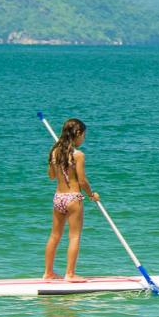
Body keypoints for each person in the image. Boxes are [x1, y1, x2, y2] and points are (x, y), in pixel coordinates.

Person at [43, 118, 100, 280]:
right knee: (74, 236)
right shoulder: (78, 155)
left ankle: (48, 272)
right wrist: (91, 195)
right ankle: (70, 273)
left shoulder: (54, 152)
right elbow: (82, 181)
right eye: (83, 136)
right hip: (73, 198)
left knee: (54, 235)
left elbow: (51, 176)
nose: (84, 139)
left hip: (58, 197)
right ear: (78, 133)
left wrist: (58, 163)